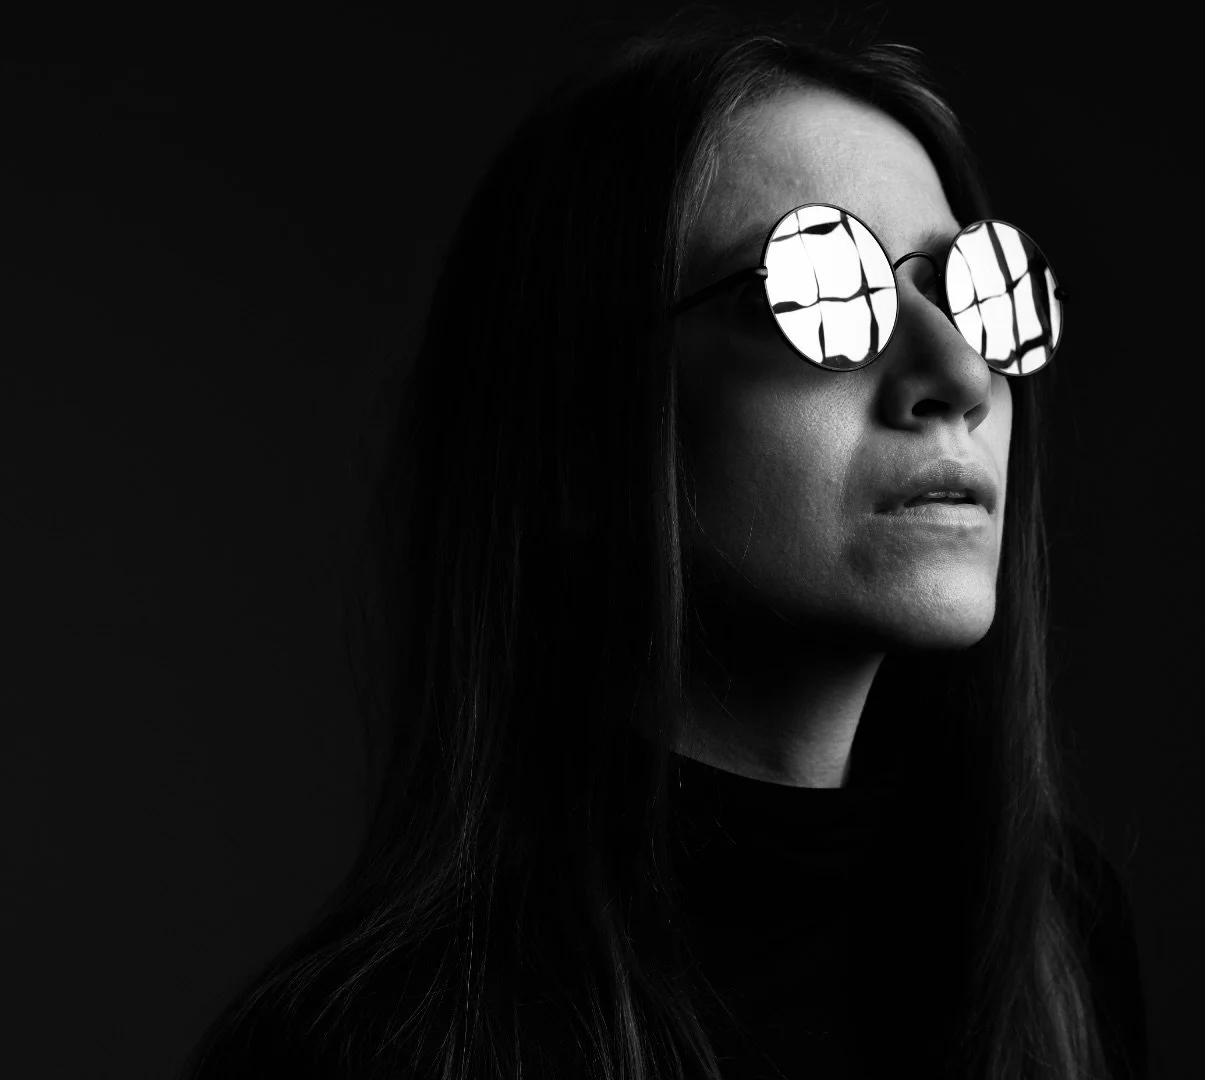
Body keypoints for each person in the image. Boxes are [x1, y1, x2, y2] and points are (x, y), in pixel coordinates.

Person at [179, 12, 1146, 1080]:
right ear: (576, 434)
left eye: (967, 285)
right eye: (822, 289)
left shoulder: (1051, 943)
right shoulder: (378, 1051)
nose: (959, 376)